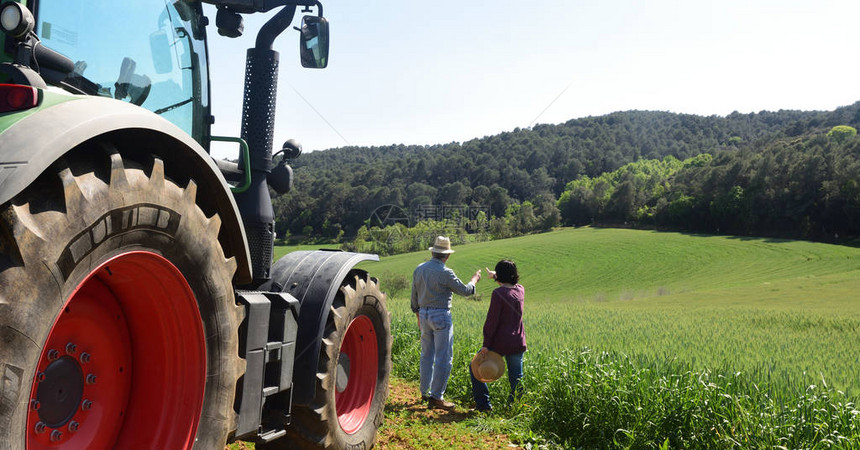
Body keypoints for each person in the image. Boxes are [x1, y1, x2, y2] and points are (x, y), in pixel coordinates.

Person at [411, 236, 481, 410]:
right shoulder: (445, 272)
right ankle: (437, 397)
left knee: (426, 355)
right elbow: (465, 291)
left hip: (424, 314)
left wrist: (418, 315)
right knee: (444, 357)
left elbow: (414, 297)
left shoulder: (419, 269)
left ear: (433, 252)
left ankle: (424, 392)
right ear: (447, 255)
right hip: (441, 315)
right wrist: (474, 280)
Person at [470, 259, 527, 412]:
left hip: (499, 343)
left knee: (474, 366)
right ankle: (515, 409)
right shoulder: (520, 290)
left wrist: (486, 345)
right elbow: (508, 285)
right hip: (517, 342)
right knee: (517, 378)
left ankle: (484, 405)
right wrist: (496, 276)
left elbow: (492, 321)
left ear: (500, 276)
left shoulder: (498, 294)